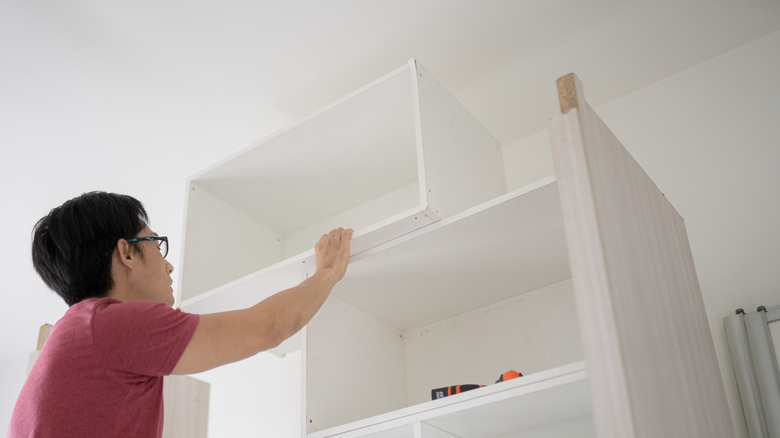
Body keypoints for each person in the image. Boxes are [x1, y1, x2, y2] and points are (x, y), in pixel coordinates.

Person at [8, 191, 352, 437]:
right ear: (126, 252)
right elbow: (270, 327)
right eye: (156, 245)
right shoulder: (106, 325)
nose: (168, 264)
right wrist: (328, 271)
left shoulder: (77, 335)